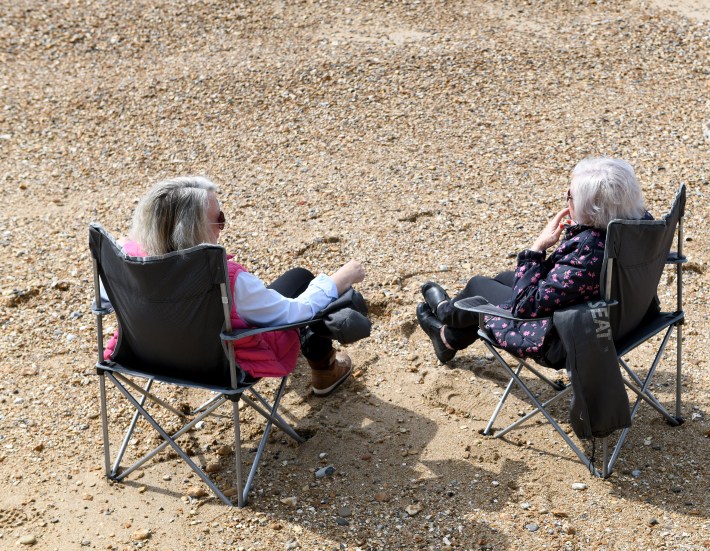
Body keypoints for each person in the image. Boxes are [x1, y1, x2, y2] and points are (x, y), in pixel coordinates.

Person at [103, 176, 366, 396]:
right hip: (221, 368)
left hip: (143, 357)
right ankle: (324, 368)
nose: (221, 227)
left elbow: (104, 302)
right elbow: (294, 313)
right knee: (301, 279)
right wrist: (341, 278)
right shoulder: (226, 279)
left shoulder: (126, 261)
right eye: (218, 219)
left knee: (284, 288)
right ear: (192, 230)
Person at [416, 157, 652, 365]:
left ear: (592, 211)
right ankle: (449, 338)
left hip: (564, 337)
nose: (566, 201)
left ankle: (445, 313)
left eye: (569, 196)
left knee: (479, 287)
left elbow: (526, 306)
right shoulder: (638, 226)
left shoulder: (588, 251)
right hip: (623, 318)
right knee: (502, 279)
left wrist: (537, 248)